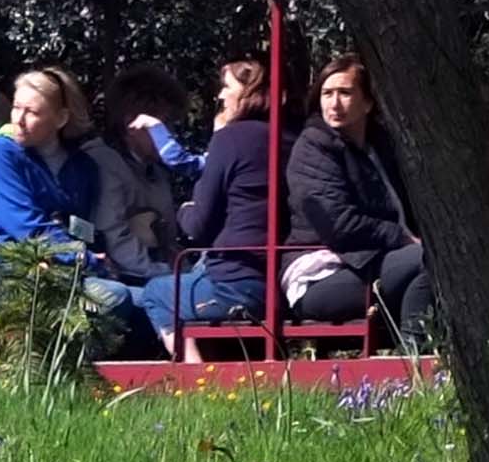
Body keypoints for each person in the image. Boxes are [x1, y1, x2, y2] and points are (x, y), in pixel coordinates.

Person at [0, 68, 162, 357]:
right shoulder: (1, 152)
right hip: (12, 275)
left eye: (32, 112)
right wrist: (87, 260)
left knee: (152, 300)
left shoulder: (82, 167)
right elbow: (28, 228)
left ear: (60, 118)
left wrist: (91, 255)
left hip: (68, 274)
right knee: (114, 297)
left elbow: (79, 226)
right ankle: (61, 373)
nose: (18, 120)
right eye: (16, 108)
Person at [284, 55, 425, 334]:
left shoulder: (380, 148)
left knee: (440, 264)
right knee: (430, 261)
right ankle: (418, 360)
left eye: (345, 93)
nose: (334, 104)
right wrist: (403, 238)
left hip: (373, 261)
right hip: (321, 273)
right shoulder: (313, 147)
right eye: (327, 93)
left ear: (368, 103)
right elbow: (339, 224)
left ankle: (419, 360)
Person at [165, 60, 277, 333]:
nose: (220, 95)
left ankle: (187, 367)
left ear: (249, 93)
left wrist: (183, 210)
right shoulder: (287, 137)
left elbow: (198, 225)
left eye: (227, 87)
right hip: (275, 277)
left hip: (235, 277)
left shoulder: (230, 139)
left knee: (155, 294)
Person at [79, 64, 190, 282]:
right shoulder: (103, 161)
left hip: (156, 275)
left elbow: (167, 240)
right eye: (163, 123)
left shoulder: (155, 170)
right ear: (132, 123)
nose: (170, 134)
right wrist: (168, 278)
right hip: (119, 279)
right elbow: (114, 238)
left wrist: (185, 271)